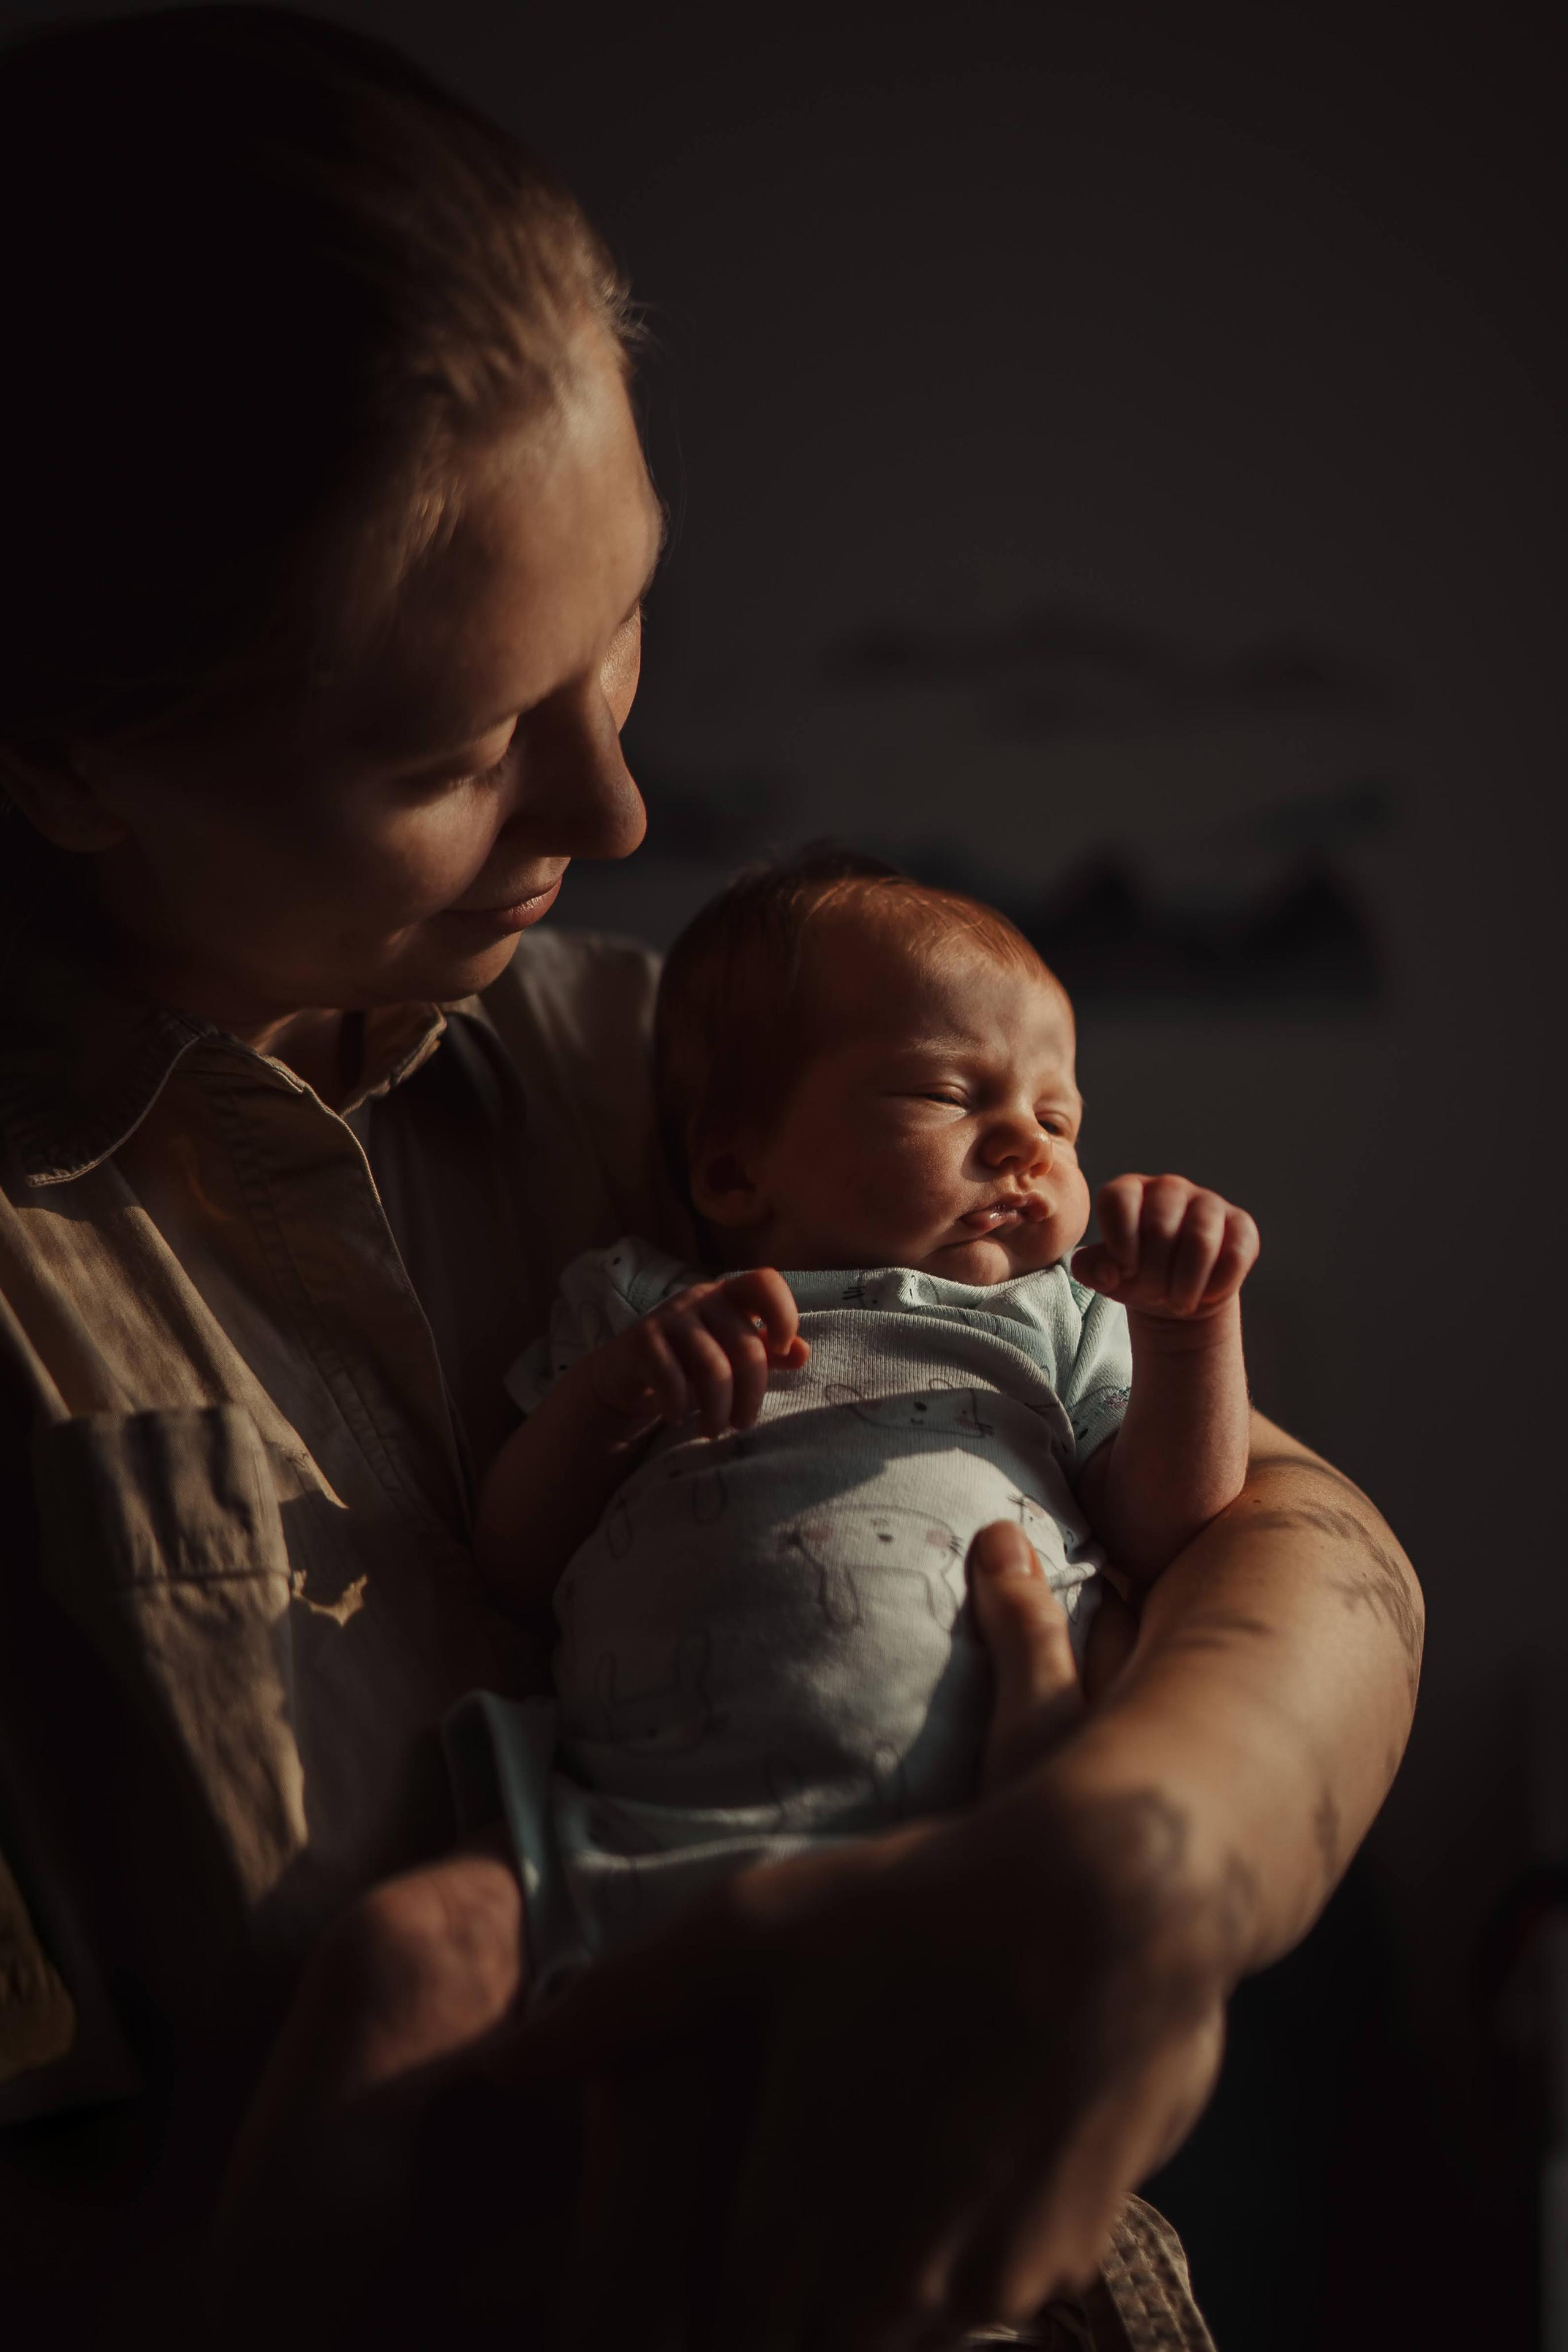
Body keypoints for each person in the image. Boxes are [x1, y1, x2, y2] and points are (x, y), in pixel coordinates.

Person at [0, 10, 1422, 2347]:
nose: (622, 824)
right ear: (63, 762)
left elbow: (1309, 1539)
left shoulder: (652, 1062)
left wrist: (1151, 1871)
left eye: (625, 633)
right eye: (465, 750)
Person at [466, 853, 1261, 1988]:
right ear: (737, 1172)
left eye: (1058, 1115)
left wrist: (1193, 1329)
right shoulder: (647, 1305)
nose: (1028, 1146)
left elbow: (1165, 1528)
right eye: (947, 1095)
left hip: (962, 1840)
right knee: (403, 1956)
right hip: (626, 1841)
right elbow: (511, 1560)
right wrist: (613, 1396)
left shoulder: (1060, 1312)